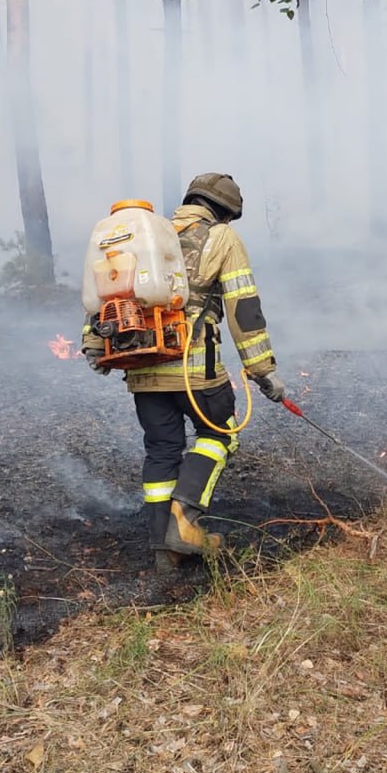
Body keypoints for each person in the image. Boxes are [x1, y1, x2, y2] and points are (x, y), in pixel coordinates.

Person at [81, 173, 287, 572]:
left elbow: (106, 295)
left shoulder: (144, 238)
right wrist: (262, 369)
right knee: (219, 433)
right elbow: (243, 308)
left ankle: (164, 548)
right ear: (224, 212)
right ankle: (184, 518)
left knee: (161, 449)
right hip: (195, 370)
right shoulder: (221, 238)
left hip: (141, 366)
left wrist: (94, 344)